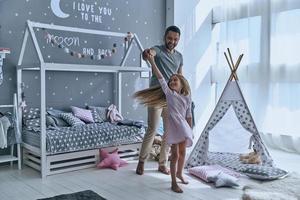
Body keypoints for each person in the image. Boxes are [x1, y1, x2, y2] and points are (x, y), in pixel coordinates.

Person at [135, 53, 193, 193]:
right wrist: (152, 61)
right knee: (174, 156)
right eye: (171, 80)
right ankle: (173, 182)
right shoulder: (169, 94)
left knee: (182, 152)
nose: (172, 82)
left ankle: (180, 173)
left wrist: (190, 130)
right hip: (173, 130)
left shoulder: (187, 98)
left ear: (182, 84)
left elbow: (189, 116)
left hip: (183, 129)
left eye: (175, 80)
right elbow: (160, 77)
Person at [135, 26, 184, 176]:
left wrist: (181, 94)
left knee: (169, 132)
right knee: (152, 128)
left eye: (175, 39)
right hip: (156, 96)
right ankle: (141, 161)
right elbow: (149, 53)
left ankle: (163, 163)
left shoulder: (179, 56)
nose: (172, 41)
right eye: (170, 38)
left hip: (171, 98)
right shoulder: (158, 50)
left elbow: (180, 77)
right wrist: (147, 54)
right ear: (165, 37)